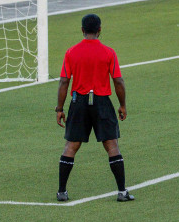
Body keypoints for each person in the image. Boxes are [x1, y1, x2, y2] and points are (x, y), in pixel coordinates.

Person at [55, 13, 131, 202]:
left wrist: (59, 108)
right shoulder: (109, 52)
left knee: (71, 146)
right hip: (101, 102)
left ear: (82, 30)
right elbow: (118, 81)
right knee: (111, 145)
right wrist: (122, 105)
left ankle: (62, 192)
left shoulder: (71, 52)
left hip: (78, 102)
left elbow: (64, 81)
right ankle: (122, 192)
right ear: (99, 30)